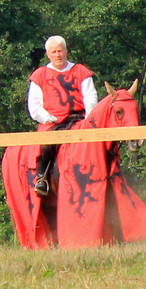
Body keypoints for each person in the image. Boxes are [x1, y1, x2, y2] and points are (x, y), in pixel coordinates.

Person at [26, 36, 97, 198]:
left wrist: (88, 116)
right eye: (54, 52)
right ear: (48, 54)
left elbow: (90, 97)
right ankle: (42, 178)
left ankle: (110, 174)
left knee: (100, 143)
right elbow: (34, 105)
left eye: (60, 51)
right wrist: (46, 117)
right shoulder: (40, 75)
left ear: (66, 51)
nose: (58, 55)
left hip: (79, 118)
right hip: (54, 121)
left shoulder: (80, 71)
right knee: (47, 144)